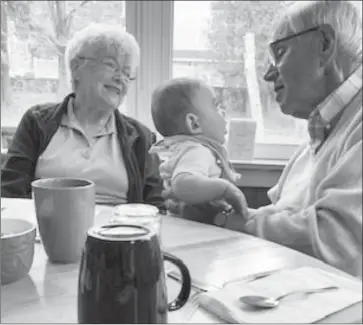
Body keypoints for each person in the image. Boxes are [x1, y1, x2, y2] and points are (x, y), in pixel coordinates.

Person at [242, 0, 362, 278]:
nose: (268, 74)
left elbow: (336, 241)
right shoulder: (317, 135)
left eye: (279, 52)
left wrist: (230, 220)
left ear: (324, 44)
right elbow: (279, 216)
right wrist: (229, 211)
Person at [1, 23, 164, 208]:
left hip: (118, 233)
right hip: (48, 229)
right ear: (77, 67)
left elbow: (156, 207)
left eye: (127, 73)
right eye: (112, 65)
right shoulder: (36, 122)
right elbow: (11, 193)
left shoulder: (141, 136)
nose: (121, 78)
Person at [150, 77, 248, 227]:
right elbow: (182, 183)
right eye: (216, 107)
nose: (223, 113)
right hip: (192, 234)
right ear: (194, 123)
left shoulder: (185, 150)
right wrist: (225, 189)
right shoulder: (196, 151)